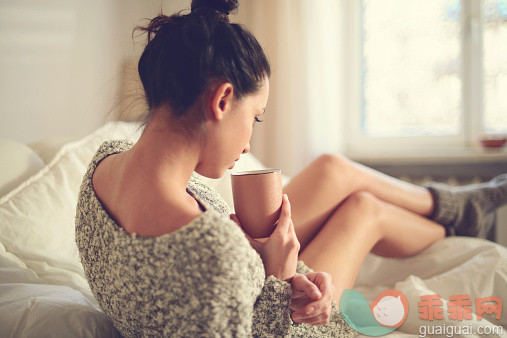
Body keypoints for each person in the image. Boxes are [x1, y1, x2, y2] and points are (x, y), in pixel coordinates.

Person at [75, 0, 507, 336]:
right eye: (256, 117)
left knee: (333, 171)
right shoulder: (212, 250)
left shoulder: (103, 166)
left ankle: (453, 207)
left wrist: (257, 260)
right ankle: (460, 218)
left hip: (247, 280)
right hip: (302, 327)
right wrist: (280, 280)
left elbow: (177, 286)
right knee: (362, 209)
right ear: (222, 100)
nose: (248, 144)